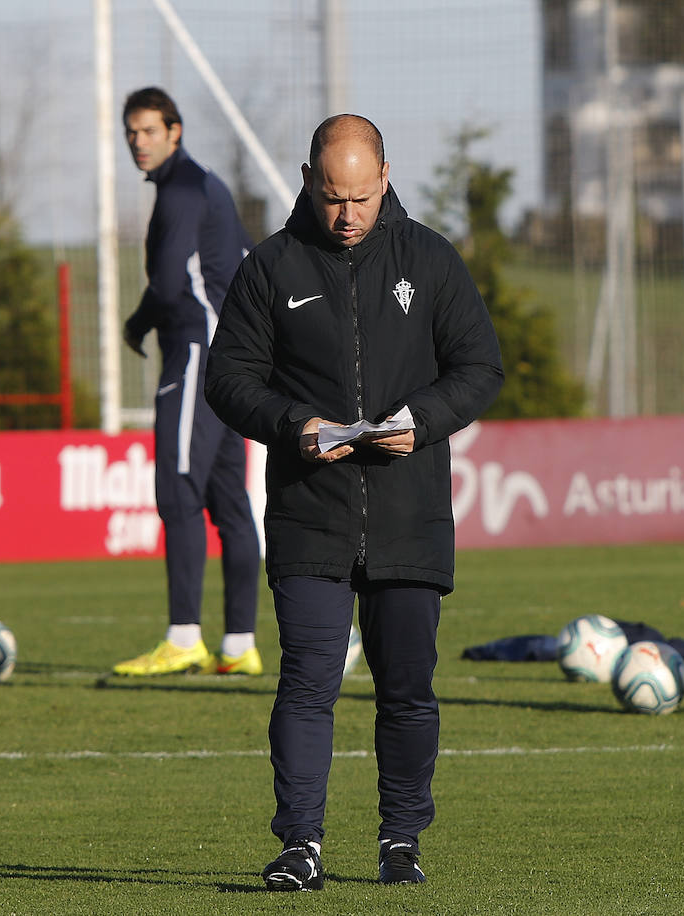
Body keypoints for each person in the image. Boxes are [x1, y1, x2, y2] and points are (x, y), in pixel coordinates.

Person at [205, 114, 502, 890]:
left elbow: (479, 367)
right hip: (310, 512)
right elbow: (228, 379)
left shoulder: (430, 259)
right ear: (308, 181)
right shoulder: (270, 267)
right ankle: (300, 844)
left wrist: (424, 422)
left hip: (409, 514)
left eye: (363, 197)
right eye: (334, 197)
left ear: (386, 177)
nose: (348, 214)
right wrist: (292, 426)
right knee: (307, 680)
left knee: (407, 689)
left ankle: (401, 841)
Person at [110, 87, 264, 678]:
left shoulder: (180, 192)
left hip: (196, 353)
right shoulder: (207, 186)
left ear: (175, 131)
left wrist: (136, 322)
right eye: (131, 132)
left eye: (148, 130)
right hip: (229, 358)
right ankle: (239, 645)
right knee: (229, 502)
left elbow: (171, 286)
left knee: (178, 492)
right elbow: (246, 261)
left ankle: (183, 638)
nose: (137, 142)